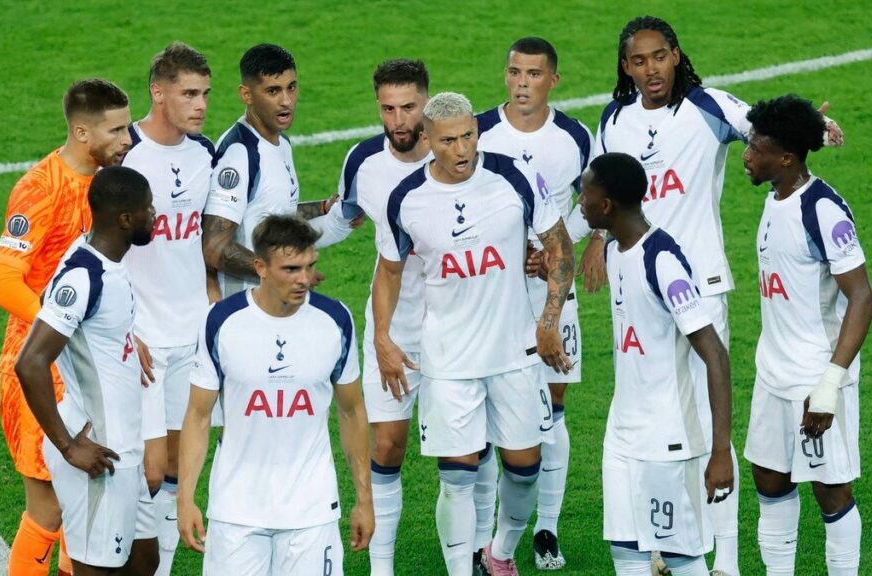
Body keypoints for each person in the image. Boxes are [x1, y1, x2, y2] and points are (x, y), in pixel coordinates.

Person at [595, 16, 843, 576]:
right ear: (625, 67)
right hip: (634, 288)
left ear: (677, 56)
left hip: (699, 285)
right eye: (638, 61)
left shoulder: (708, 107)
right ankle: (662, 544)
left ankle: (723, 562)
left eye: (659, 56)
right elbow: (601, 187)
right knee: (653, 416)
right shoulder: (614, 119)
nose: (650, 69)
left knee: (709, 423)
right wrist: (591, 239)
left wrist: (815, 131)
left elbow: (766, 129)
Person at [373, 92, 575, 576]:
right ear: (427, 140)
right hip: (449, 360)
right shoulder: (406, 199)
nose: (462, 149)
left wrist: (549, 322)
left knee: (525, 468)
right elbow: (389, 272)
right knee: (457, 477)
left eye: (468, 136)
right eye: (449, 140)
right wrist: (382, 337)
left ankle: (500, 552)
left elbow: (560, 247)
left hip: (514, 352)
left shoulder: (513, 177)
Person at [0, 78, 131, 576]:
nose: (127, 139)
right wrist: (66, 330)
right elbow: (3, 283)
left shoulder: (106, 182)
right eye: (115, 130)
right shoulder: (40, 189)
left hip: (84, 369)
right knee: (49, 510)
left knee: (83, 511)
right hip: (37, 366)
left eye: (127, 126)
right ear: (82, 131)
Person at [177, 214, 374, 575]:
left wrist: (364, 498)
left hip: (311, 511)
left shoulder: (335, 320)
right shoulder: (221, 321)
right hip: (235, 512)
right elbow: (198, 415)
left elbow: (352, 412)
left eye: (309, 266)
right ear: (260, 267)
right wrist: (185, 498)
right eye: (291, 269)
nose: (304, 279)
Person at [577, 152, 733, 576]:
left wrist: (721, 452)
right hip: (622, 434)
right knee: (626, 553)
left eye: (585, 194)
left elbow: (715, 354)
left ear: (606, 205)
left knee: (681, 558)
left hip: (667, 440)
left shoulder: (661, 260)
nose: (580, 202)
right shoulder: (614, 251)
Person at [475, 36, 597, 571]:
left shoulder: (574, 136)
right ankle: (486, 536)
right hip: (492, 291)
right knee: (487, 415)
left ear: (553, 80)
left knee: (554, 409)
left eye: (533, 74)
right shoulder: (478, 131)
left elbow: (596, 201)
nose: (522, 84)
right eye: (514, 72)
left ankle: (546, 527)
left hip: (553, 287)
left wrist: (558, 250)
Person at [742, 95, 872, 576]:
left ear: (786, 158)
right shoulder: (775, 196)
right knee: (770, 482)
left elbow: (863, 299)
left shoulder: (824, 211)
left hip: (814, 380)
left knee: (831, 490)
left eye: (756, 147)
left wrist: (829, 385)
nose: (747, 153)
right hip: (772, 374)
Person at [14, 165, 159, 576]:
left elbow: (78, 319)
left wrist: (128, 342)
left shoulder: (103, 258)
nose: (155, 215)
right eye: (148, 209)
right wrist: (68, 446)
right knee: (98, 569)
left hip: (123, 450)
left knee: (145, 560)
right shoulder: (85, 276)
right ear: (125, 219)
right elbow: (30, 362)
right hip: (97, 453)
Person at [330, 58, 433, 576]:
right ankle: (383, 569)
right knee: (388, 443)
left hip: (462, 322)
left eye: (408, 107)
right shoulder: (364, 159)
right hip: (393, 320)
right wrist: (268, 247)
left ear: (427, 103)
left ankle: (484, 553)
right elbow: (342, 217)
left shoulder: (456, 152)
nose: (398, 121)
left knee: (470, 453)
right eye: (388, 108)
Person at [121, 41, 214, 576]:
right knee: (148, 469)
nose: (200, 105)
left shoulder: (204, 155)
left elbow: (204, 238)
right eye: (188, 94)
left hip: (193, 332)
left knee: (180, 466)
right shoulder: (125, 152)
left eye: (204, 94)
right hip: (141, 338)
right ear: (159, 93)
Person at [202, 43, 353, 298]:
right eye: (273, 91)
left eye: (291, 87)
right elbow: (215, 247)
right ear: (246, 95)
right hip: (244, 311)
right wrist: (284, 274)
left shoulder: (281, 143)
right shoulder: (239, 155)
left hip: (275, 308)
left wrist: (323, 208)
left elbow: (273, 213)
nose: (286, 101)